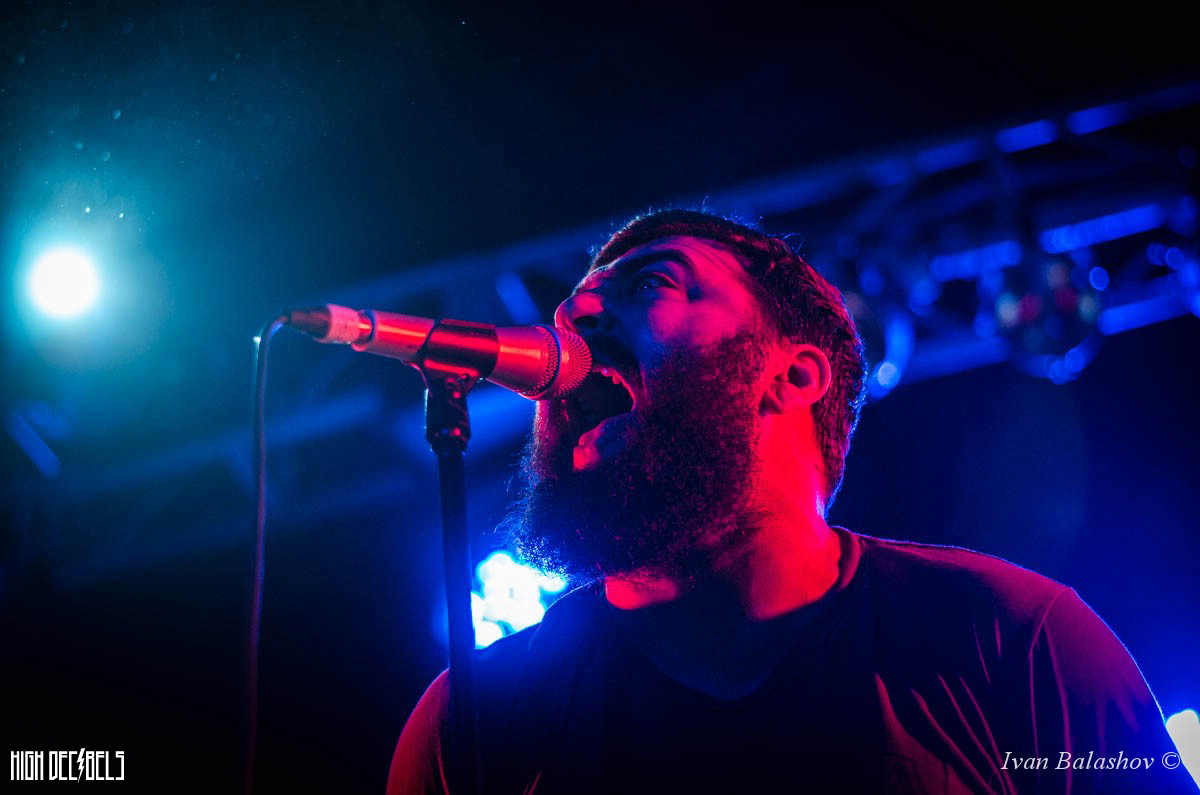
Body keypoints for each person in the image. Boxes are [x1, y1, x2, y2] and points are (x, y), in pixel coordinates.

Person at [388, 210, 1193, 794]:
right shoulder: (474, 725)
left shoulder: (1016, 641)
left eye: (651, 282)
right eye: (570, 309)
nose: (577, 316)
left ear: (793, 375)